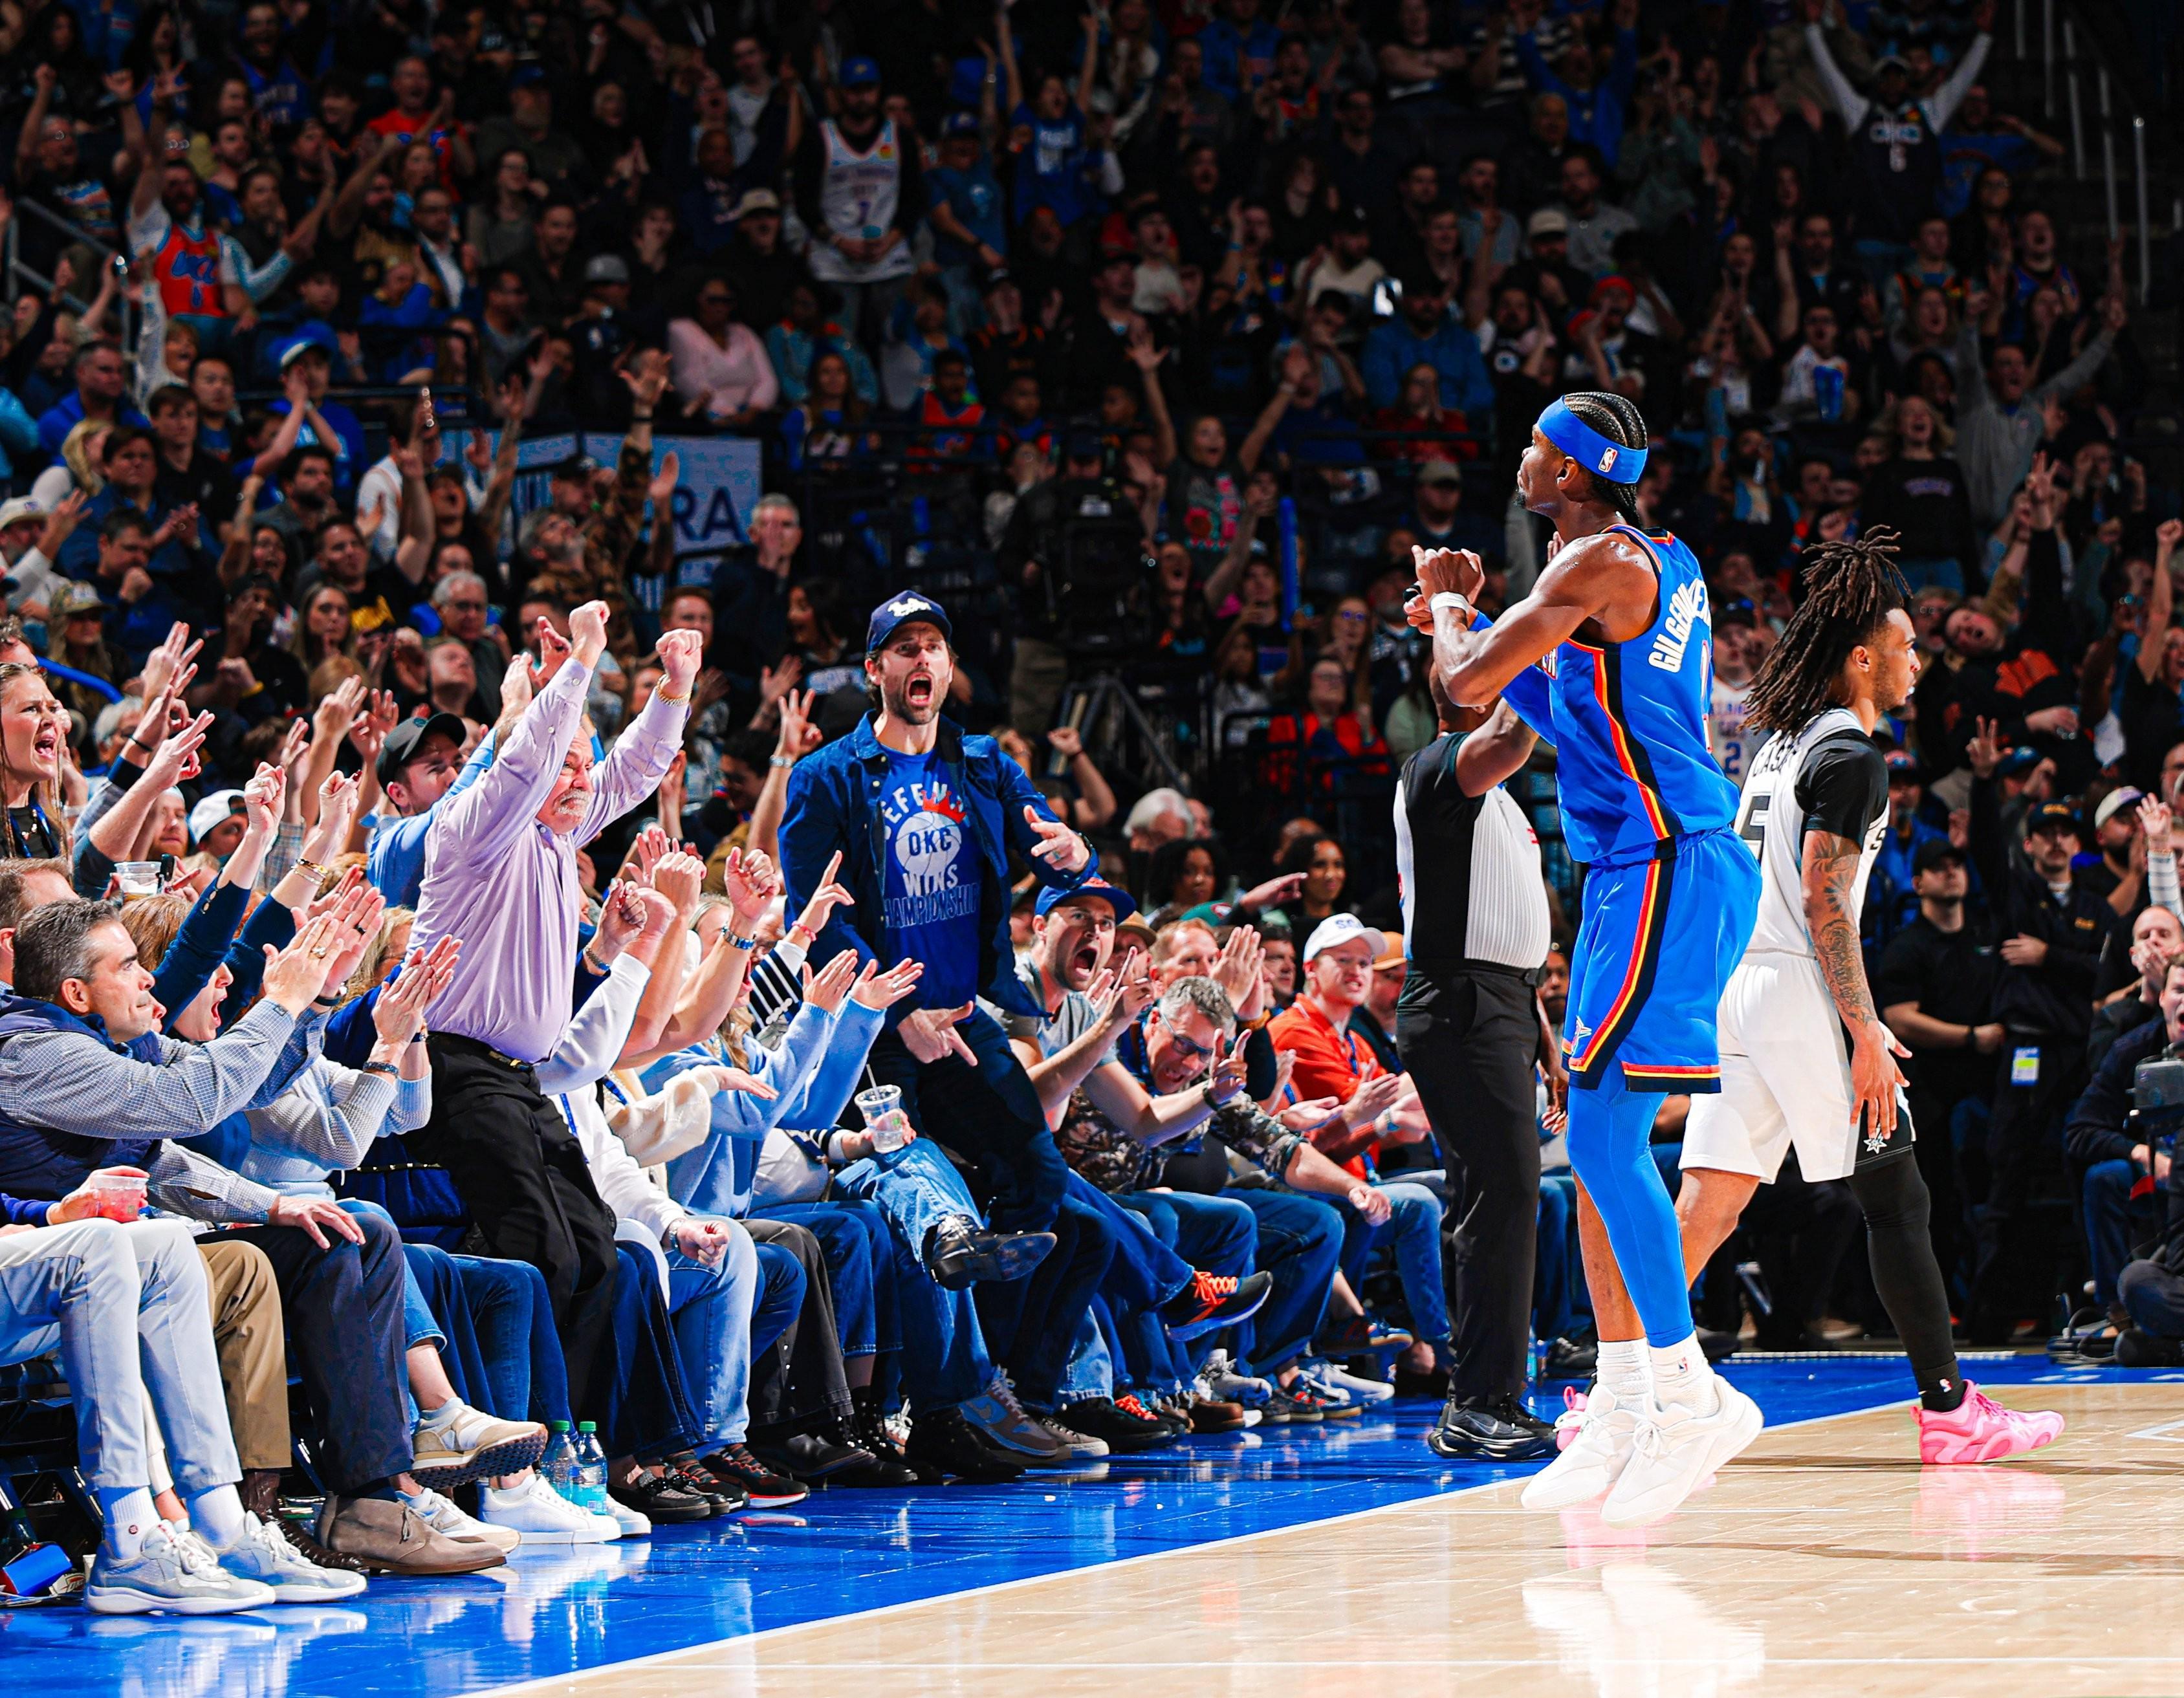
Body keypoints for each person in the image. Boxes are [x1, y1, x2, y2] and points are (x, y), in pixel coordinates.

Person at [1412, 388, 1760, 1529]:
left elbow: (1463, 687)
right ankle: (1620, 1404)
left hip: (1664, 862)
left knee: (1605, 1140)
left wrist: (1449, 608)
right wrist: (1478, 629)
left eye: (1534, 445)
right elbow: (1564, 719)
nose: (1519, 456)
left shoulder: (1592, 565)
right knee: (1603, 1143)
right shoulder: (1654, 562)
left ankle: (1686, 1391)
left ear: (1567, 472)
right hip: (1640, 869)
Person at [1675, 531, 2062, 1464]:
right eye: (1905, 644)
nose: (1917, 659)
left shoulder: (1777, 746)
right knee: (1897, 1198)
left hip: (1741, 983)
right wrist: (1864, 1031)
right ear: (1861, 657)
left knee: (1709, 1202)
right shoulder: (1850, 754)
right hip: (1796, 983)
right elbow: (1824, 903)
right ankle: (1950, 1410)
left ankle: (1614, 1388)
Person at [406, 602, 695, 1415]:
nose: (580, 779)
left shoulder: (557, 838)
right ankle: (515, 1442)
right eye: (565, 765)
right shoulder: (471, 829)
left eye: (582, 765)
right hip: (455, 1071)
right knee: (543, 1255)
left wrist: (674, 689)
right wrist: (582, 662)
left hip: (521, 1081)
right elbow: (529, 759)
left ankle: (578, 1441)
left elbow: (632, 771)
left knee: (600, 1254)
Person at [1394, 663, 1562, 1461]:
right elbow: (1510, 733)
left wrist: (1543, 1040)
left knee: (1501, 1196)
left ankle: (1488, 1396)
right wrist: (1543, 638)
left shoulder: (1496, 797)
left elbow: (1508, 932)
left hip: (1501, 1003)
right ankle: (1479, 1402)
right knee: (1500, 1196)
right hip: (1460, 1004)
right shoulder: (1436, 769)